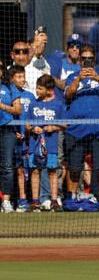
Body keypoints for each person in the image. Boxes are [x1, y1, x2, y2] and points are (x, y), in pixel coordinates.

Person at [64, 44, 99, 212]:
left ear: (94, 60)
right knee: (74, 166)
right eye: (84, 59)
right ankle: (72, 198)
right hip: (77, 127)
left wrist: (98, 79)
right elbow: (68, 94)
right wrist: (79, 79)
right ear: (79, 60)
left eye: (90, 59)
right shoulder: (72, 76)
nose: (87, 62)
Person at [26, 75, 65, 212]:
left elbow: (64, 124)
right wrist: (32, 128)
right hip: (34, 145)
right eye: (37, 87)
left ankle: (54, 200)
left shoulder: (59, 104)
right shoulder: (33, 104)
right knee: (35, 171)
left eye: (40, 88)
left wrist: (53, 127)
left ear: (49, 90)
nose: (37, 90)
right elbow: (27, 124)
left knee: (52, 171)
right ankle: (35, 202)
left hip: (51, 145)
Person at [9, 65, 35, 212]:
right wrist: (14, 132)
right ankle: (18, 199)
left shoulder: (30, 96)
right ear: (12, 79)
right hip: (13, 139)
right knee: (15, 170)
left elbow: (34, 116)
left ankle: (29, 199)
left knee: (29, 169)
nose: (22, 79)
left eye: (23, 76)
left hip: (29, 139)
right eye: (18, 77)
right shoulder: (8, 94)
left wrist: (30, 130)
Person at [0, 60, 22, 212]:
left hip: (7, 130)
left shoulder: (9, 87)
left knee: (7, 166)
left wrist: (1, 106)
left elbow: (18, 110)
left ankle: (6, 201)